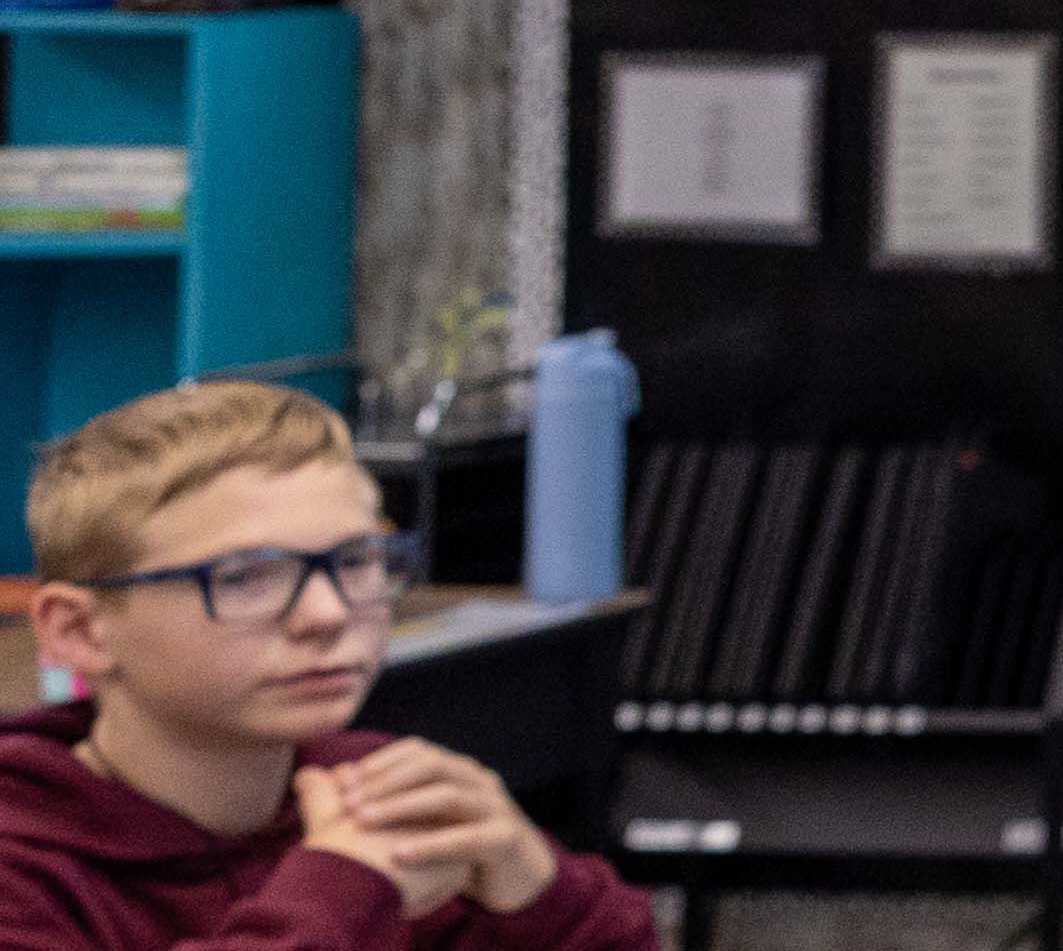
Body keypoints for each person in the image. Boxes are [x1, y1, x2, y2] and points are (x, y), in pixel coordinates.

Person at [0, 382, 652, 951]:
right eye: (245, 576)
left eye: (355, 562)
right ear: (79, 629)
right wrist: (341, 890)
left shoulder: (378, 791)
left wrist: (540, 893)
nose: (327, 612)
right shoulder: (24, 866)